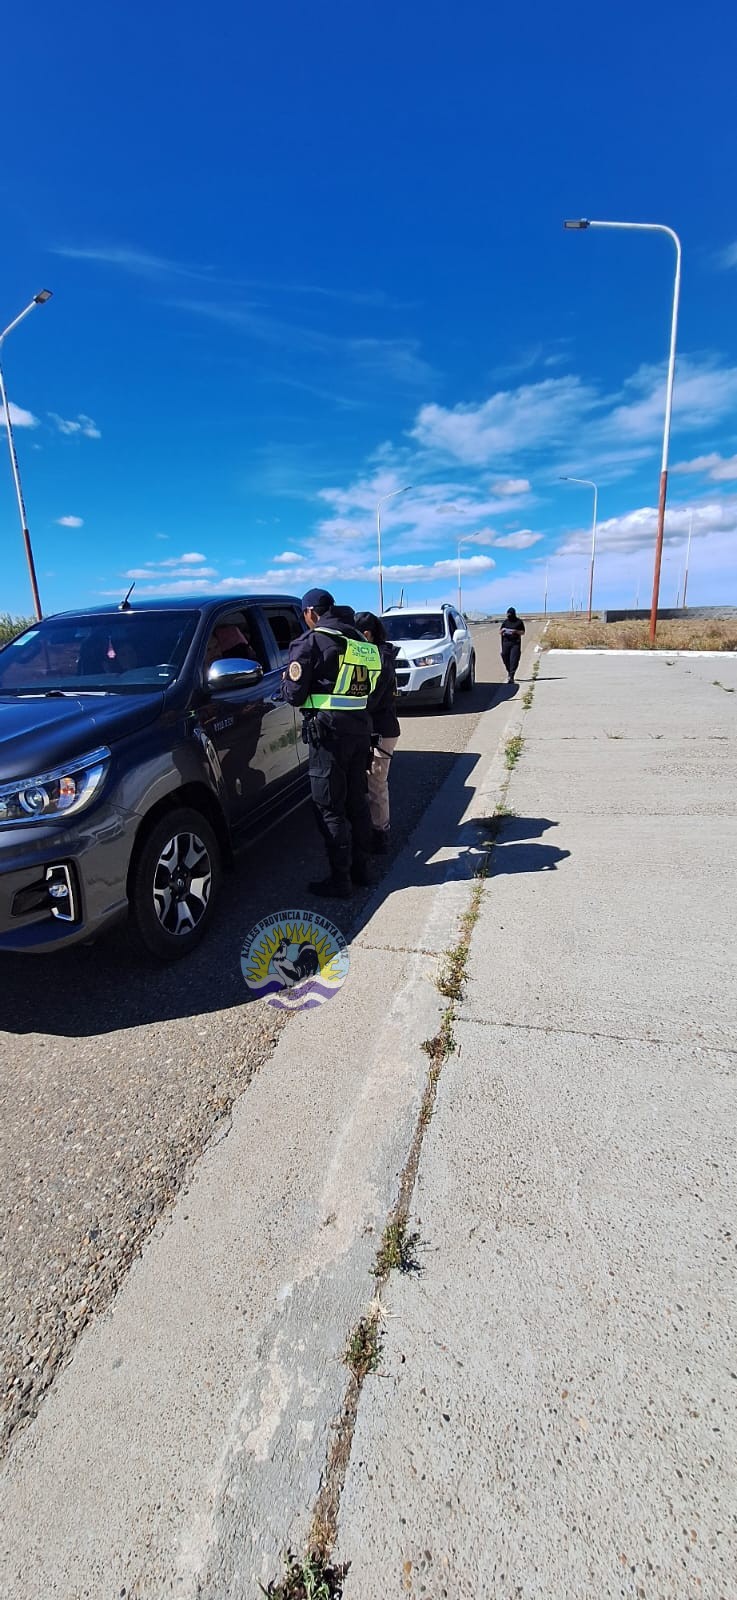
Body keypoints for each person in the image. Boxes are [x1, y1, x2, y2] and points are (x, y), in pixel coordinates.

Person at [282, 588, 381, 898]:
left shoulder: (310, 642)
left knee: (329, 807)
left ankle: (341, 881)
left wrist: (286, 682)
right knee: (357, 801)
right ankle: (362, 870)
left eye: (304, 615)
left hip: (328, 735)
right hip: (360, 731)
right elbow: (374, 691)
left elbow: (294, 695)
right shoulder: (361, 643)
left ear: (311, 612)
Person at [355, 611, 400, 855]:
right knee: (368, 783)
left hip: (381, 731)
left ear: (367, 635)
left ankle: (380, 833)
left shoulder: (382, 659)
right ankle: (372, 829)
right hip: (372, 729)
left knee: (376, 784)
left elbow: (372, 700)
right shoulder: (376, 654)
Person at [500, 607, 525, 684]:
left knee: (514, 659)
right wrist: (503, 631)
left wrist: (516, 631)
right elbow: (500, 631)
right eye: (508, 614)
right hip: (506, 643)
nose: (509, 616)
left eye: (510, 614)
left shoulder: (519, 622)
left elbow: (523, 632)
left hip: (515, 643)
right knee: (504, 656)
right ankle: (509, 671)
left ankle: (511, 676)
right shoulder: (505, 622)